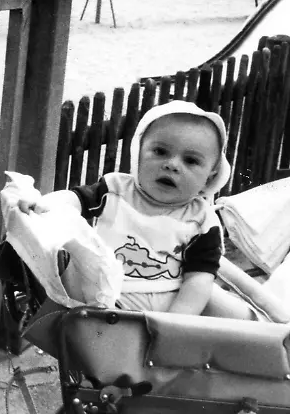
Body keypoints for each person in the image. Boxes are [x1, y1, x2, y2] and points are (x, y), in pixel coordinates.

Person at [18, 100, 257, 319]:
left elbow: (198, 279)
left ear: (209, 177)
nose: (172, 165)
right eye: (160, 151)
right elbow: (75, 198)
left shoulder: (201, 221)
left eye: (191, 161)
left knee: (233, 316)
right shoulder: (115, 191)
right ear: (138, 152)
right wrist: (46, 204)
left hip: (168, 302)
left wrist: (175, 322)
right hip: (105, 296)